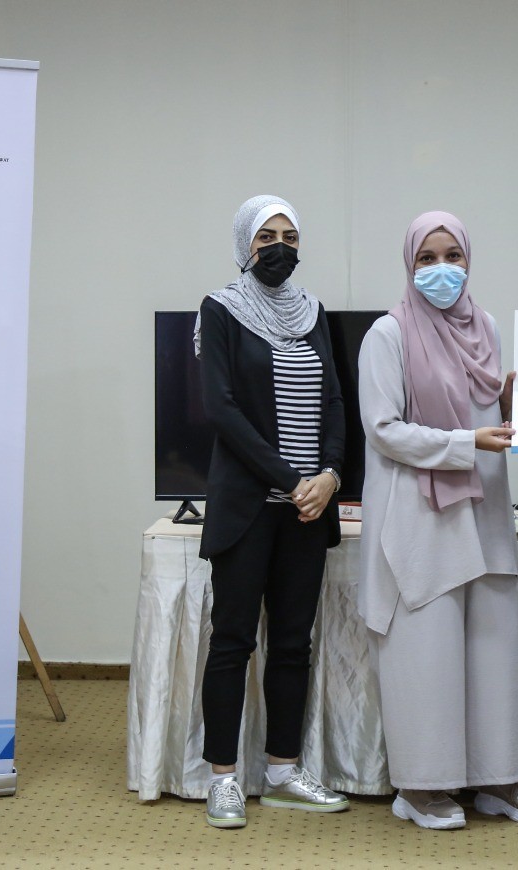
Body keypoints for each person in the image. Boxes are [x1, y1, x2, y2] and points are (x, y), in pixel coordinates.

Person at [356, 211, 518, 831]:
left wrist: (512, 406)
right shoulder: (387, 334)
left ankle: (499, 780)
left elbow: (484, 415)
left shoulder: (485, 326)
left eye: (453, 256)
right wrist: (467, 442)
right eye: (427, 258)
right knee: (426, 653)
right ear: (409, 264)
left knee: (492, 650)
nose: (441, 269)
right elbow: (384, 430)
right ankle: (421, 787)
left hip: (484, 508)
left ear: (469, 260)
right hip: (421, 513)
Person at [194, 194, 350, 829]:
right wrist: (292, 480)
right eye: (266, 237)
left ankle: (284, 772)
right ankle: (223, 779)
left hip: (307, 512)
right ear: (245, 245)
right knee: (232, 643)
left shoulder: (313, 312)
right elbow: (222, 409)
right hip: (249, 508)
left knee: (292, 644)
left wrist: (330, 476)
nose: (279, 247)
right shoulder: (221, 309)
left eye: (289, 236)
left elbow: (335, 401)